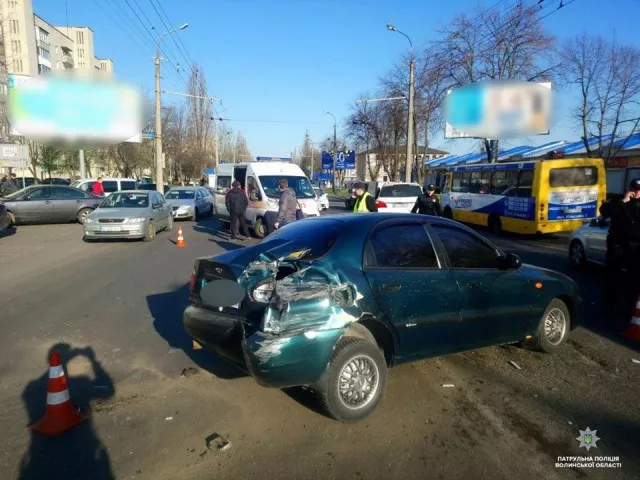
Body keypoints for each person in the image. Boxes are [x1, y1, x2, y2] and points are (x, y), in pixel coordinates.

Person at [600, 178, 640, 323]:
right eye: (634, 189)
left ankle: (630, 308)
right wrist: (623, 202)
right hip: (617, 244)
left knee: (633, 279)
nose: (636, 193)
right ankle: (609, 306)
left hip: (635, 246)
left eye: (639, 190)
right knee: (612, 275)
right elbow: (605, 211)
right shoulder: (618, 201)